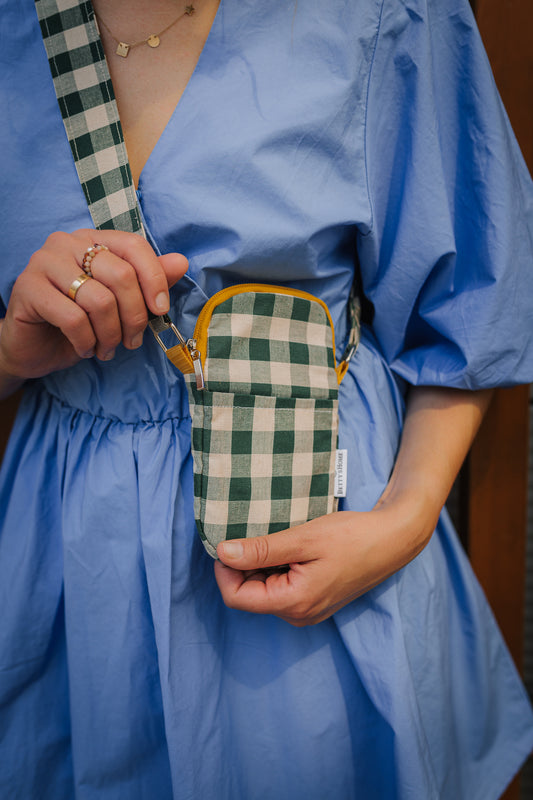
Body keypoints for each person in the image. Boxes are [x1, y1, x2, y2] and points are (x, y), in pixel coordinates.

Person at [1, 0, 532, 797]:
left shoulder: (383, 13)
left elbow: (473, 302)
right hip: (73, 571)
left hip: (326, 552)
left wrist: (403, 522)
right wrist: (11, 350)